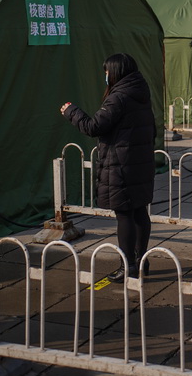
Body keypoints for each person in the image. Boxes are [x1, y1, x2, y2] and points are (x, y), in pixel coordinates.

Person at [61, 53, 156, 282]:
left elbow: (94, 126)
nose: (105, 76)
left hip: (121, 164)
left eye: (106, 72)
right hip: (140, 161)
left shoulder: (119, 97)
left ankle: (129, 266)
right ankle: (142, 261)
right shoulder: (140, 91)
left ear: (115, 72)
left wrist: (71, 111)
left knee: (124, 215)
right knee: (140, 212)